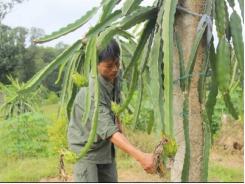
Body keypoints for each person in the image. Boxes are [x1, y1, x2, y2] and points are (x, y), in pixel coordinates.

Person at [67, 39, 155, 182]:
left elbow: (115, 100)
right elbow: (108, 131)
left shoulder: (114, 76)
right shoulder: (92, 92)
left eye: (117, 64)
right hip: (86, 150)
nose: (115, 69)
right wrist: (141, 157)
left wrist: (117, 119)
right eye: (108, 66)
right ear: (95, 64)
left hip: (105, 148)